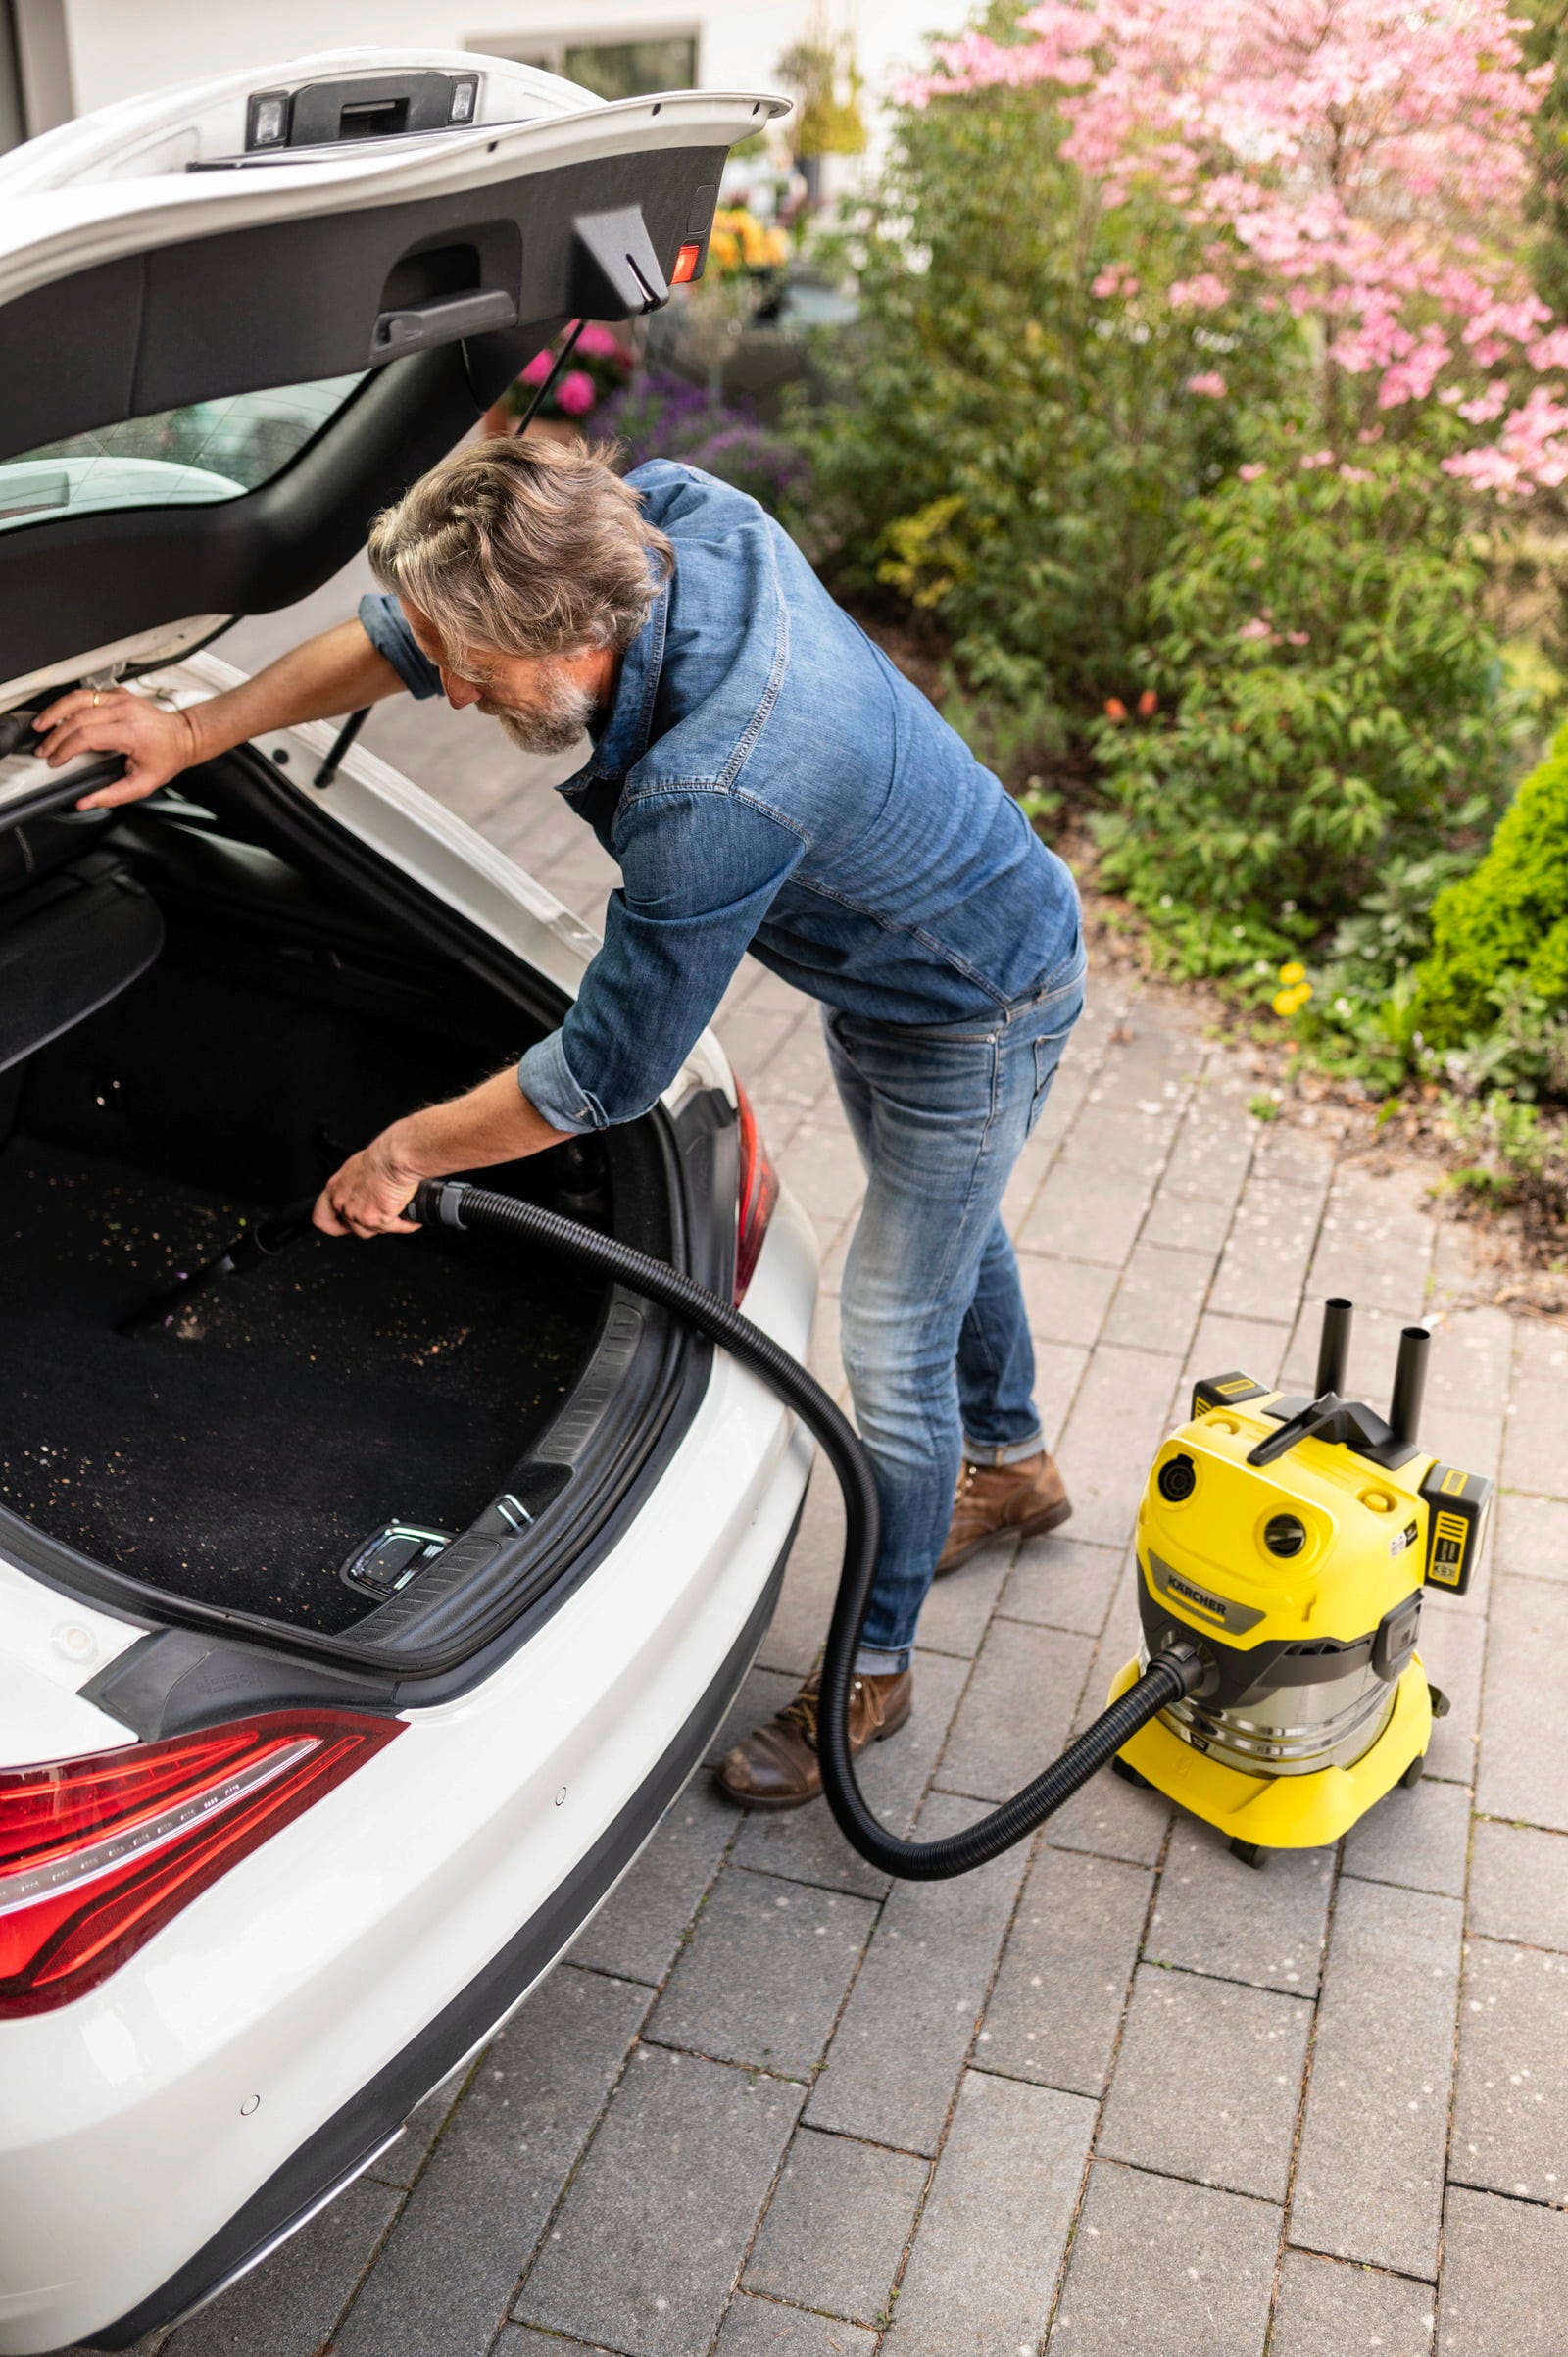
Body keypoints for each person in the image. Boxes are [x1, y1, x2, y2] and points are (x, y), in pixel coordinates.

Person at [35, 435, 1085, 1811]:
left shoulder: (719, 783)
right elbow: (404, 638)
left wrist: (403, 1153)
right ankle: (1016, 1463)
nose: (455, 691)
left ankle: (873, 1667)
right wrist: (190, 732)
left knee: (891, 1337)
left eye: (475, 668)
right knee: (940, 1214)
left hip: (976, 1005)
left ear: (572, 629)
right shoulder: (661, 520)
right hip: (894, 960)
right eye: (449, 659)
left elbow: (601, 1076)